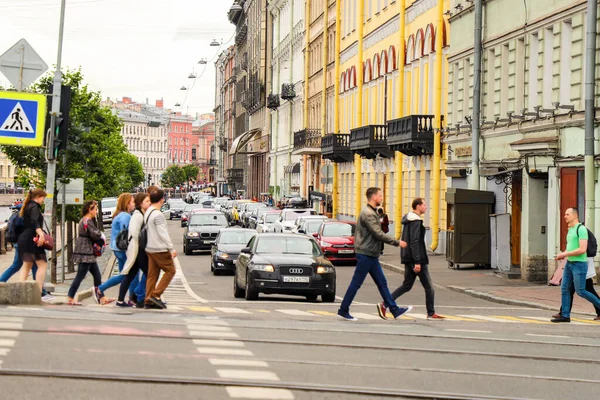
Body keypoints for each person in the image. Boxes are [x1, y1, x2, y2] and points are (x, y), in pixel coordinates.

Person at [337, 187, 412, 321]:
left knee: (382, 283)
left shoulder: (371, 212)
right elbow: (378, 233)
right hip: (366, 253)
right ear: (373, 197)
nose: (382, 198)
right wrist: (397, 242)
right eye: (380, 196)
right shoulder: (369, 214)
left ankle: (394, 310)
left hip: (370, 254)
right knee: (356, 283)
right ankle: (343, 310)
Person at [385, 198, 445, 320]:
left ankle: (385, 303)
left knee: (406, 285)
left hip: (408, 257)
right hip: (417, 259)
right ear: (418, 206)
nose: (426, 207)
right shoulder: (415, 221)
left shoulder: (408, 219)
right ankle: (431, 313)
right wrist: (417, 262)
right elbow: (415, 242)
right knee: (429, 287)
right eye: (424, 204)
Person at [552, 208, 600, 323]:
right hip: (570, 263)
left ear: (575, 216)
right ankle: (565, 315)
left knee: (581, 291)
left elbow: (582, 249)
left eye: (567, 214)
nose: (565, 216)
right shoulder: (571, 229)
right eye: (565, 214)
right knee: (565, 289)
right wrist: (563, 255)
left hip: (579, 264)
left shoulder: (581, 229)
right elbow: (571, 247)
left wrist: (565, 254)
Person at [1, 204, 51, 300]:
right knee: (19, 265)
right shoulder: (27, 216)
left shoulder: (16, 215)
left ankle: (41, 291)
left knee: (26, 265)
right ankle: (40, 292)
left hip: (18, 243)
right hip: (24, 244)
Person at [96, 193, 135, 304]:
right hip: (122, 249)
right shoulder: (125, 216)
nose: (134, 204)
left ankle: (104, 290)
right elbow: (127, 232)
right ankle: (132, 298)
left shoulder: (119, 215)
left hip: (116, 248)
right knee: (131, 274)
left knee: (124, 275)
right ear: (127, 203)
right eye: (132, 202)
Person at [67, 200, 106, 305]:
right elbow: (95, 234)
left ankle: (101, 298)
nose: (97, 212)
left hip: (86, 252)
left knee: (97, 275)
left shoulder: (84, 220)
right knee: (80, 275)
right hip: (86, 252)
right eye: (95, 209)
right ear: (90, 210)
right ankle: (70, 297)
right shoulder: (87, 221)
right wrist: (101, 235)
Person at [117, 193, 152, 308]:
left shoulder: (141, 214)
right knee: (149, 272)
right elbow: (135, 232)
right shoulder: (138, 216)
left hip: (137, 249)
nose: (149, 203)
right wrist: (144, 244)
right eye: (147, 201)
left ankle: (125, 299)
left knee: (130, 275)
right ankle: (138, 296)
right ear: (141, 203)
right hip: (137, 250)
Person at [144, 189, 176, 309]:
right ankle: (156, 295)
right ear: (162, 199)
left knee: (152, 274)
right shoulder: (158, 214)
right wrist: (171, 248)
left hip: (150, 247)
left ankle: (148, 299)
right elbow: (163, 233)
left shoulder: (148, 212)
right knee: (170, 271)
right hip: (159, 248)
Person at [17, 189, 49, 294]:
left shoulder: (27, 206)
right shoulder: (34, 207)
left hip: (24, 239)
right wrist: (41, 234)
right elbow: (35, 222)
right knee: (42, 265)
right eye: (43, 198)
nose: (43, 200)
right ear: (39, 196)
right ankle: (38, 293)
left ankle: (20, 292)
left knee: (27, 266)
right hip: (32, 239)